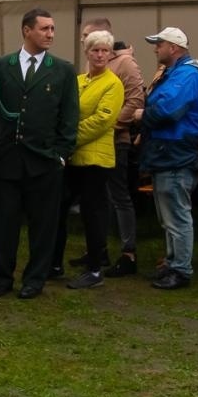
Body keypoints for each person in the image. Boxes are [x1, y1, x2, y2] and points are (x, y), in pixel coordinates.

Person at [0, 9, 79, 300]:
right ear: (26, 30)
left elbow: (69, 116)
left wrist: (61, 154)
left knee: (43, 225)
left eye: (52, 29)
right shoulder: (1, 65)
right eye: (44, 28)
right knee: (4, 224)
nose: (50, 34)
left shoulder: (62, 69)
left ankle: (35, 278)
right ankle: (1, 277)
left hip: (44, 160)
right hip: (7, 159)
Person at [52, 29, 124, 289]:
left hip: (95, 159)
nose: (100, 55)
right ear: (87, 52)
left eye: (105, 50)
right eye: (95, 50)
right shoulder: (79, 80)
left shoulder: (113, 84)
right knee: (59, 207)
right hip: (74, 158)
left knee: (93, 213)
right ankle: (54, 262)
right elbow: (66, 111)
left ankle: (95, 270)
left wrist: (67, 138)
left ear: (111, 54)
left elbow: (102, 121)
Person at [139, 26, 198, 289]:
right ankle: (171, 263)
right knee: (168, 214)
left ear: (174, 48)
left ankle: (181, 269)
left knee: (177, 214)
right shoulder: (176, 73)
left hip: (175, 152)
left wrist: (143, 115)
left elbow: (167, 109)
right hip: (166, 152)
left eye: (160, 44)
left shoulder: (187, 75)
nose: (156, 48)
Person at [82, 18, 145, 277]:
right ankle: (100, 249)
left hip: (115, 140)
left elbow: (136, 98)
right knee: (101, 199)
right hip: (94, 143)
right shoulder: (93, 64)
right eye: (84, 38)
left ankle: (128, 252)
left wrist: (113, 124)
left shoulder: (124, 62)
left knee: (119, 196)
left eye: (88, 34)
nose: (84, 39)